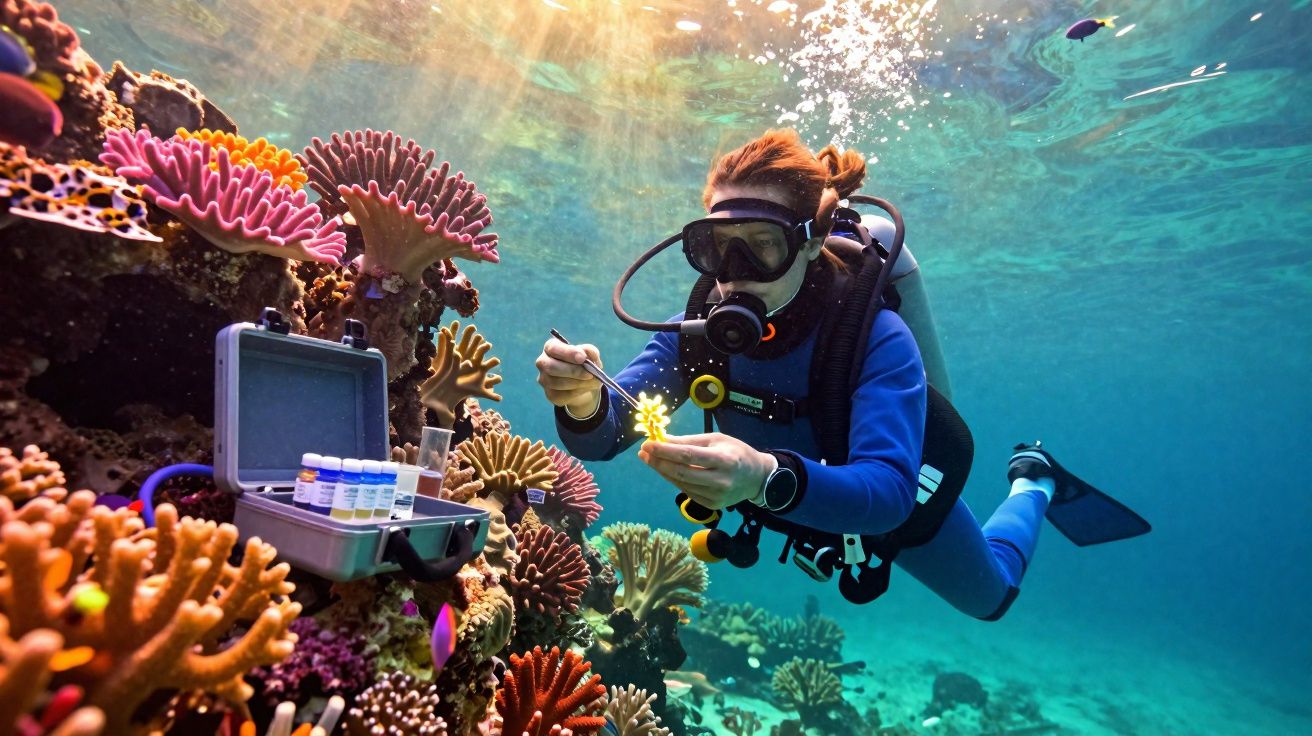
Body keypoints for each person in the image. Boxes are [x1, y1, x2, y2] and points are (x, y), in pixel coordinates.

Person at [536, 129, 1148, 620]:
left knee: (991, 598)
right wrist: (584, 398)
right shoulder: (696, 332)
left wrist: (758, 475)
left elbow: (887, 495)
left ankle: (1032, 482)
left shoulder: (876, 339)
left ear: (810, 241)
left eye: (762, 244)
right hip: (788, 499)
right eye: (719, 246)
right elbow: (602, 436)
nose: (735, 270)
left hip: (900, 494)